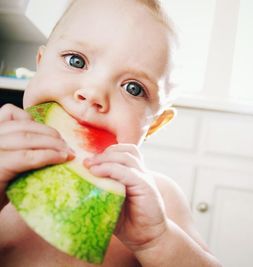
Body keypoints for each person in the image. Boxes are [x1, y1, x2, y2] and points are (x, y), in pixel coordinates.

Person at [0, 0, 221, 266]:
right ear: (40, 63)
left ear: (154, 125)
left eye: (133, 88)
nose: (93, 93)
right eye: (76, 60)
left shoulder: (160, 201)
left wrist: (156, 239)